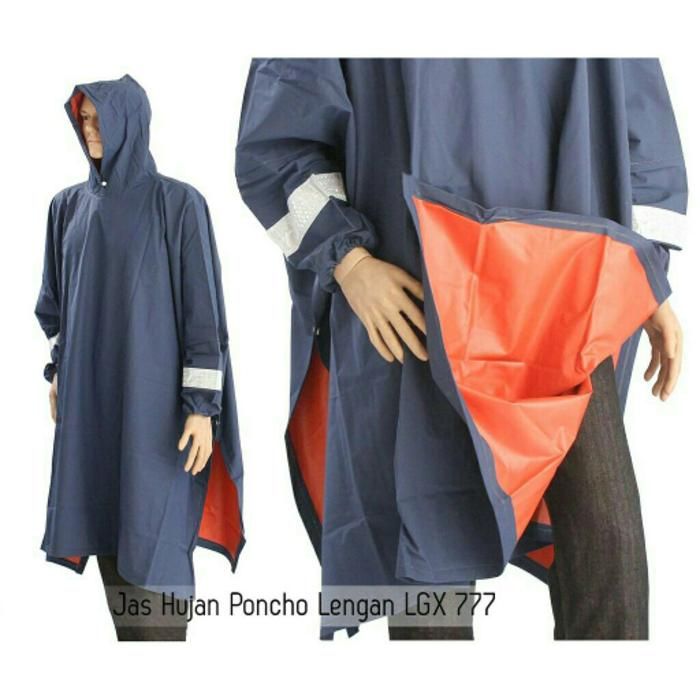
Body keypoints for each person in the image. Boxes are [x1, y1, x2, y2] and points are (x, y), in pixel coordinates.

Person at [235, 59, 687, 640]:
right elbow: (278, 135)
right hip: (417, 296)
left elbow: (637, 116)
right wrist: (349, 261)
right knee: (430, 585)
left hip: (566, 291)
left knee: (607, 553)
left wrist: (643, 273)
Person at [36, 74, 245, 641]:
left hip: (159, 422)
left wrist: (201, 407)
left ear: (131, 121)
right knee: (108, 541)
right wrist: (58, 371)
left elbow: (204, 316)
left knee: (156, 563)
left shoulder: (178, 204)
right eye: (83, 119)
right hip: (91, 418)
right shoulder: (66, 208)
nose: (90, 129)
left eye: (100, 118)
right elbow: (57, 307)